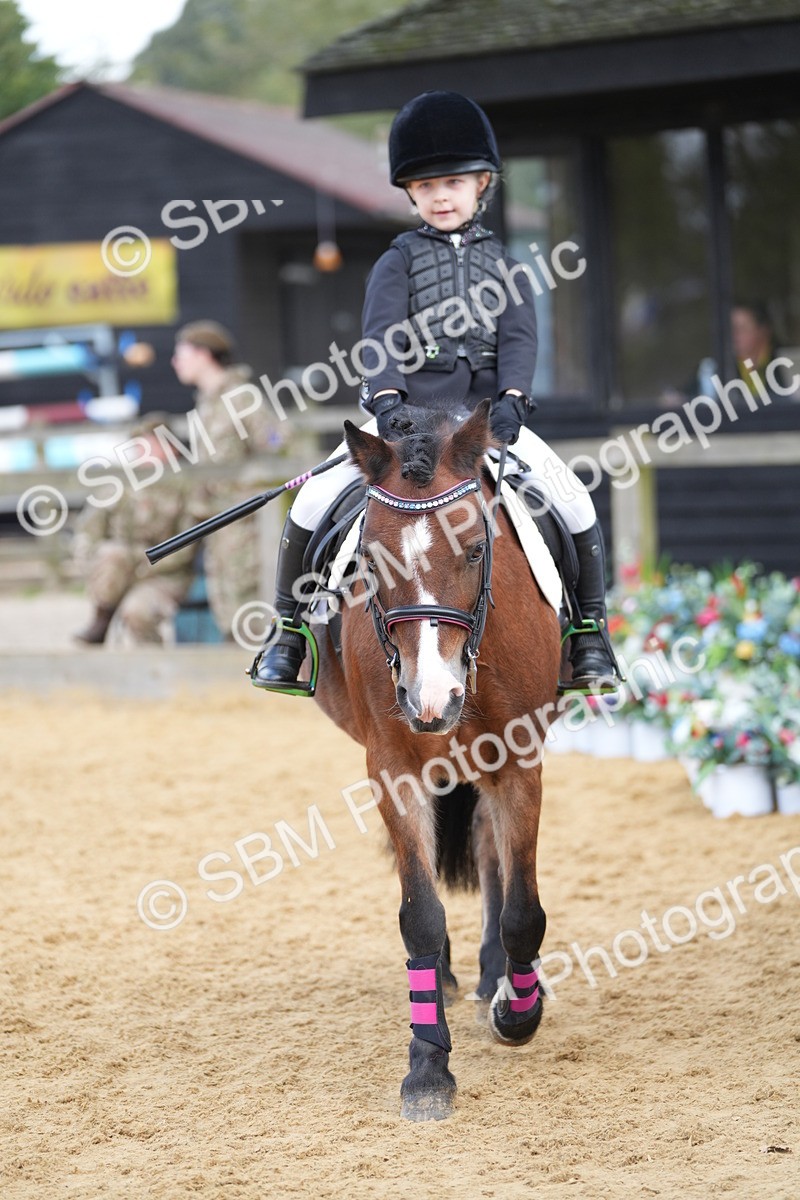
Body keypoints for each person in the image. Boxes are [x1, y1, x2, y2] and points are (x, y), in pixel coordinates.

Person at [249, 90, 619, 694]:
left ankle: (589, 635)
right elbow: (379, 340)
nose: (440, 196)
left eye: (452, 182)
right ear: (410, 194)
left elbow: (521, 339)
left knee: (572, 497)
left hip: (483, 425)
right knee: (314, 500)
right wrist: (388, 402)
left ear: (481, 184)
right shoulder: (396, 262)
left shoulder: (507, 264)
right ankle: (288, 636)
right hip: (406, 422)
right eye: (425, 187)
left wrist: (514, 400)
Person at [75, 321, 276, 644]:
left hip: (244, 522)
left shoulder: (240, 398)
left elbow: (279, 446)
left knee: (249, 604)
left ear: (204, 354)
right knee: (229, 610)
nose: (175, 362)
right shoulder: (209, 404)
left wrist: (251, 494)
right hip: (219, 522)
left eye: (181, 354)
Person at [72, 416, 197, 644]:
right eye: (138, 446)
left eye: (150, 445)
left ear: (170, 448)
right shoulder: (121, 485)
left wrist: (143, 564)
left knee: (136, 613)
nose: (142, 452)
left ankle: (152, 669)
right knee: (113, 554)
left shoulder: (188, 486)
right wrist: (91, 564)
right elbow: (89, 530)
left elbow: (189, 543)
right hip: (119, 572)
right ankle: (101, 618)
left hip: (165, 576)